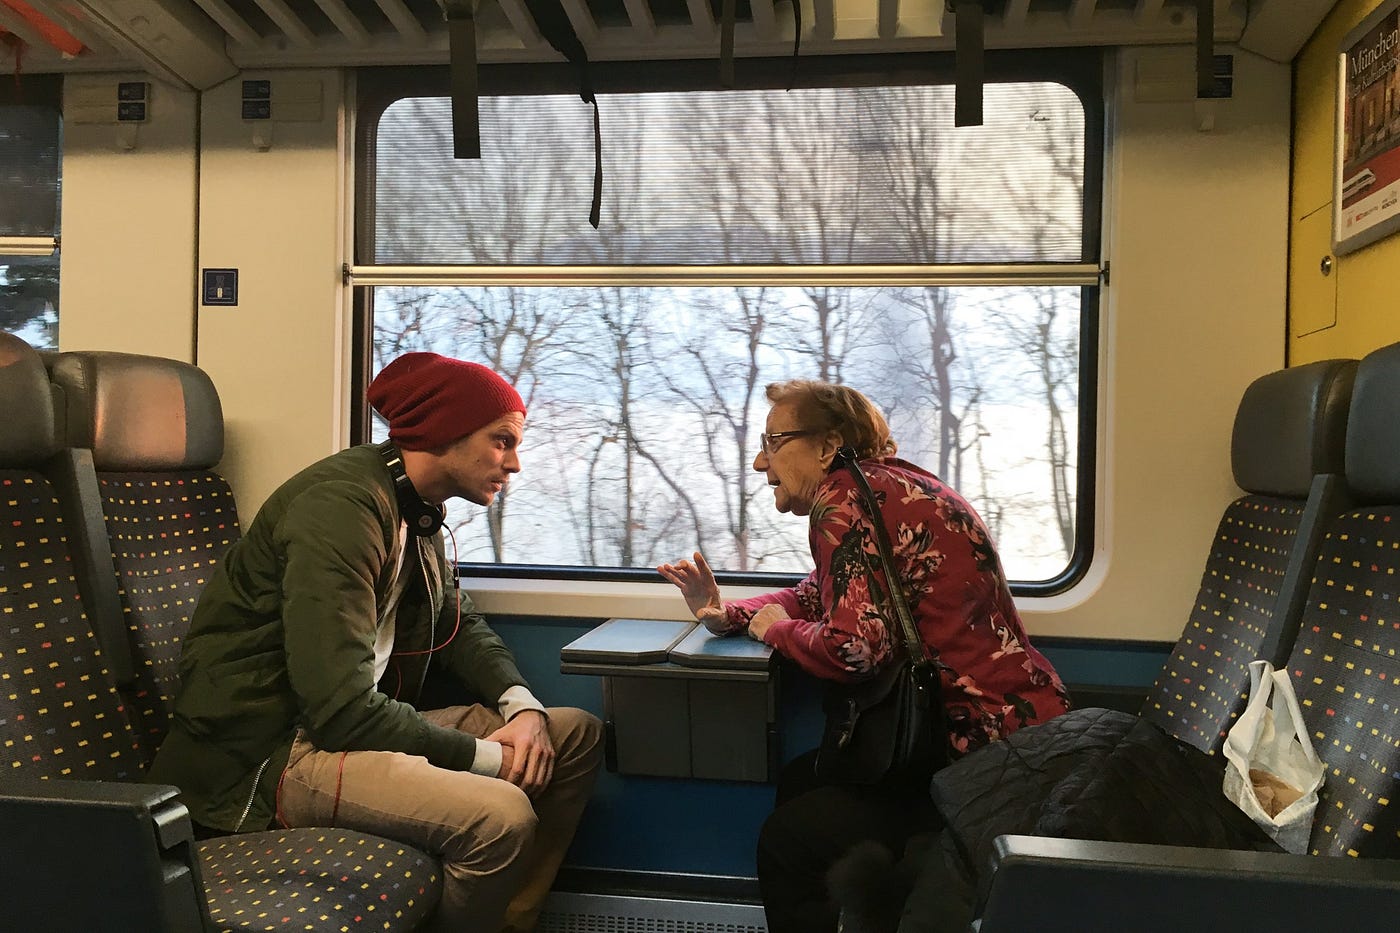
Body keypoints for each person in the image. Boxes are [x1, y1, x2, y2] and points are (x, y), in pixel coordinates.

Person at [149, 351, 603, 933]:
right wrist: (491, 759)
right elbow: (339, 713)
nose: (514, 464)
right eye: (502, 441)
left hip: (346, 727)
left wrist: (523, 708)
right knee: (502, 817)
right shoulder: (341, 509)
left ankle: (513, 923)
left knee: (573, 736)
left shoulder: (415, 506)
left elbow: (456, 624)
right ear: (445, 432)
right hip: (274, 751)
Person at [657, 379, 1071, 933]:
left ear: (828, 446)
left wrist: (777, 633)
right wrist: (724, 613)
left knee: (786, 840)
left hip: (980, 759)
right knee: (803, 778)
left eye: (773, 442)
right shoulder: (889, 487)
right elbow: (814, 594)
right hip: (1015, 733)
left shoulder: (844, 497)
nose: (760, 462)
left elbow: (854, 650)